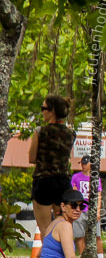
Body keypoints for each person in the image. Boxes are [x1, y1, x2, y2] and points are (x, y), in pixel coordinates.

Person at [29, 95, 76, 236]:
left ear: (52, 111)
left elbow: (31, 158)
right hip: (63, 182)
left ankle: (48, 257)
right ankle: (64, 255)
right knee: (64, 227)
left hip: (43, 182)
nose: (42, 111)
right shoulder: (71, 134)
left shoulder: (40, 132)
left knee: (45, 229)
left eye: (44, 108)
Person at [69, 156, 101, 255]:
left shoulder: (95, 178)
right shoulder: (76, 177)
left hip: (91, 209)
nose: (83, 165)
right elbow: (73, 193)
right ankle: (83, 257)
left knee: (97, 236)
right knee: (80, 236)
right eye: (82, 163)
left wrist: (98, 211)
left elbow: (99, 195)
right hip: (80, 210)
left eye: (85, 163)